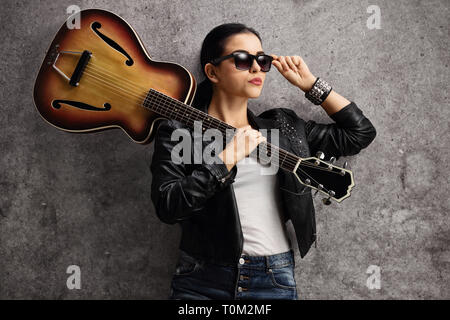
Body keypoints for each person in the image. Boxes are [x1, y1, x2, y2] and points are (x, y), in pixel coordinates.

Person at [150, 23, 376, 300]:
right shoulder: (179, 132)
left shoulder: (282, 127)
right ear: (212, 72)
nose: (257, 68)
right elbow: (167, 206)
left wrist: (312, 85)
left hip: (273, 278)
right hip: (202, 279)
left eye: (262, 60)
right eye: (243, 59)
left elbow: (359, 134)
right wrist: (226, 160)